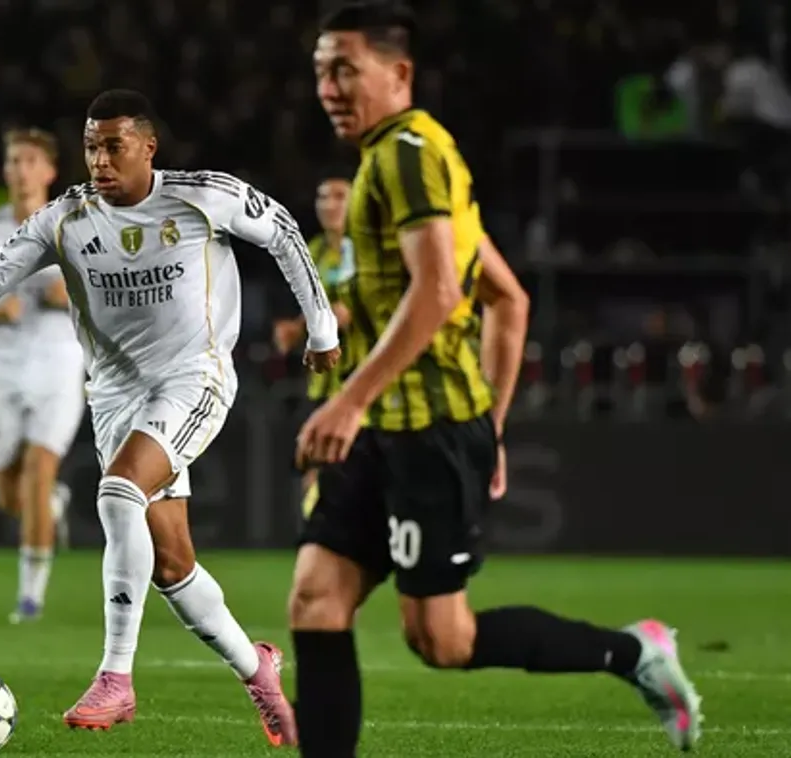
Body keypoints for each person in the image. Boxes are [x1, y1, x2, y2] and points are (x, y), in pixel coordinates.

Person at [289, 3, 703, 756]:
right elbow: (507, 300)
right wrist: (496, 426)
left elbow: (438, 290)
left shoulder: (408, 154)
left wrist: (350, 401)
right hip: (389, 431)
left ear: (399, 72)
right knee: (317, 600)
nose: (328, 88)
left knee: (441, 640)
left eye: (345, 69)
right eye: (321, 71)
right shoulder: (400, 155)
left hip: (429, 435)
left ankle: (633, 652)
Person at [0, 89, 340, 747]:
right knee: (171, 563)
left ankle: (115, 676)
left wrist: (321, 326)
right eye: (91, 147)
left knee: (117, 491)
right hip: (114, 396)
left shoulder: (202, 197)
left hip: (194, 378)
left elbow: (283, 231)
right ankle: (256, 668)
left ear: (148, 147)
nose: (100, 160)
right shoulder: (67, 217)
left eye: (113, 146)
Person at [0, 128, 83, 623]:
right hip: (1, 367)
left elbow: (109, 289)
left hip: (59, 362)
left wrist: (74, 294)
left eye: (29, 161)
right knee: (10, 494)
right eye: (13, 161)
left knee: (39, 470)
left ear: (49, 171)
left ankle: (30, 599)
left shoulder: (76, 226)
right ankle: (53, 507)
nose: (21, 170)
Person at [272, 173, 354, 520]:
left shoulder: (367, 248)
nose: (329, 205)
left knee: (349, 467)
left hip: (361, 379)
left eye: (339, 196)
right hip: (323, 381)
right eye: (323, 197)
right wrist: (295, 329)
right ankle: (319, 533)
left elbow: (352, 308)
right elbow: (318, 307)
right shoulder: (315, 250)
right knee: (317, 465)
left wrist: (345, 313)